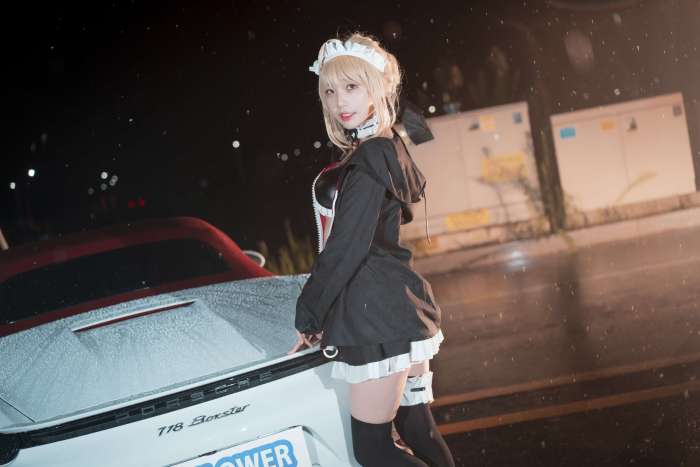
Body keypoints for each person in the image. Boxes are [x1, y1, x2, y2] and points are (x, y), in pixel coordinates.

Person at [287, 32, 455, 467]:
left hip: (375, 317)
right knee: (417, 429)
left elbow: (346, 248)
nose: (339, 101)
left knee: (373, 451)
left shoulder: (367, 160)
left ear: (376, 88)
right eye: (329, 91)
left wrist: (309, 313)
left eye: (351, 86)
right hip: (399, 308)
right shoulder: (385, 147)